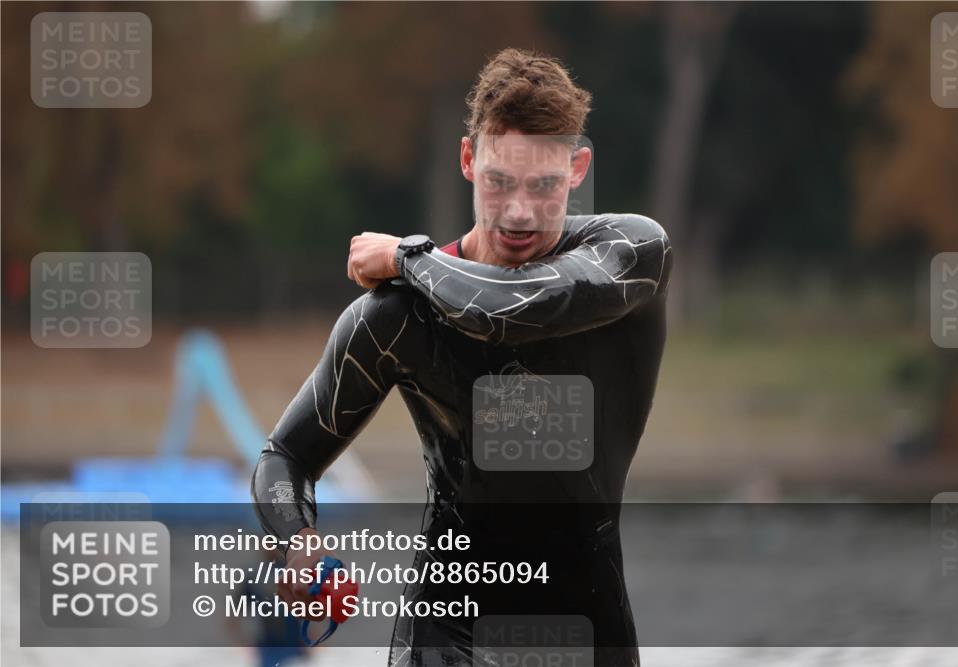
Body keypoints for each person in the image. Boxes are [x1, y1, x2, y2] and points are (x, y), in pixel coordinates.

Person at [252, 47, 672, 666]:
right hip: (448, 630)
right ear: (468, 159)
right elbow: (285, 457)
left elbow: (507, 311)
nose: (520, 212)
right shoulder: (396, 316)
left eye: (544, 185)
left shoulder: (630, 254)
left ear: (577, 167)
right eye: (500, 182)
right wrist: (297, 544)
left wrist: (405, 255)